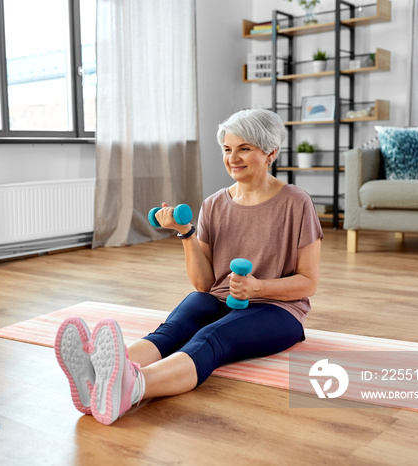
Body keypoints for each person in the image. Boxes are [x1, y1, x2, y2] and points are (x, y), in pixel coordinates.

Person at [54, 108, 323, 425]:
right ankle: (97, 377)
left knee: (210, 338)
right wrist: (186, 234)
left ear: (270, 153)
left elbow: (308, 283)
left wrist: (258, 287)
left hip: (278, 310)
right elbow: (204, 284)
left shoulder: (296, 202)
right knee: (172, 332)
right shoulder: (213, 204)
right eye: (227, 149)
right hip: (219, 298)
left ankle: (134, 387)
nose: (232, 158)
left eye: (244, 148)